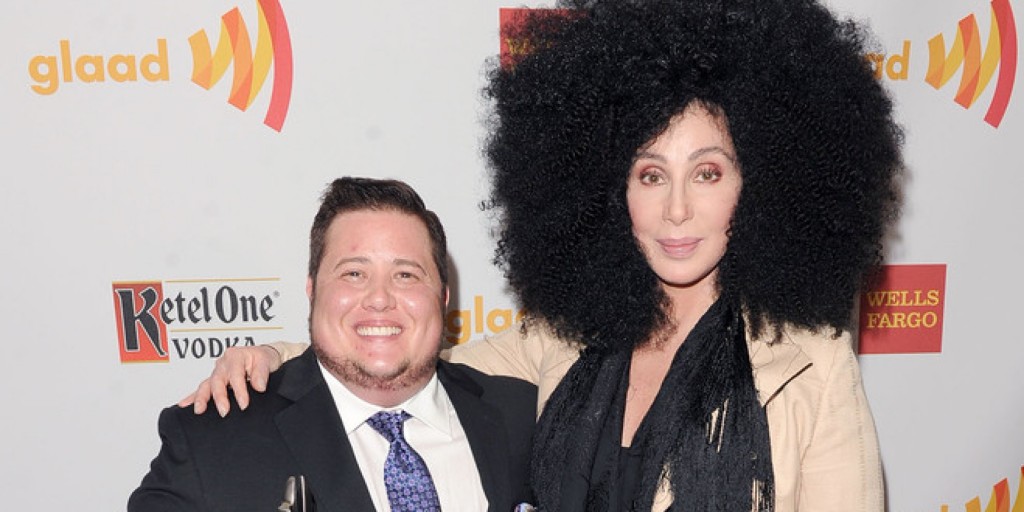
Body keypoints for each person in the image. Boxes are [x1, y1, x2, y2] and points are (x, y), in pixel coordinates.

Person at [182, 0, 903, 510]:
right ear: (608, 189)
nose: (677, 209)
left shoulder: (811, 362)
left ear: (760, 183)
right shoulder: (563, 339)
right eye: (650, 175)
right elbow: (407, 360)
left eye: (707, 173)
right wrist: (275, 354)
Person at [130, 177, 537, 512]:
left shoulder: (529, 418)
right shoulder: (211, 441)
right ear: (312, 291)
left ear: (443, 298)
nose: (379, 298)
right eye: (354, 274)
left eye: (407, 275)